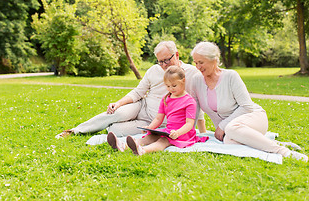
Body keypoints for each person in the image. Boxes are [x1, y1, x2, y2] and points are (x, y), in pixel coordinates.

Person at [55, 41, 206, 138]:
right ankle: (75, 131)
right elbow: (138, 92)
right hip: (142, 108)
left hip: (160, 122)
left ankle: (109, 128)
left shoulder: (191, 73)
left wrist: (202, 131)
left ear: (177, 54)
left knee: (114, 131)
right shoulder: (154, 70)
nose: (165, 64)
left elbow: (198, 104)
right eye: (161, 61)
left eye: (167, 59)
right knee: (116, 113)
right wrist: (119, 103)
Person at [189, 41, 308, 162]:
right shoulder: (196, 80)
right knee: (229, 141)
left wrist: (222, 125)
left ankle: (284, 152)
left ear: (214, 60)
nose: (198, 67)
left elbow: (247, 106)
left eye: (201, 62)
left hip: (253, 117)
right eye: (195, 63)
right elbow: (193, 109)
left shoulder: (231, 76)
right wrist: (188, 133)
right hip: (231, 131)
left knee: (231, 129)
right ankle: (267, 142)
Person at [107, 66, 209, 155]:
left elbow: (189, 124)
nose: (171, 89)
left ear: (183, 81)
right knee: (149, 137)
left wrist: (177, 133)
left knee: (163, 141)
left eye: (174, 86)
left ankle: (143, 150)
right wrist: (149, 128)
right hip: (169, 131)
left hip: (183, 134)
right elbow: (158, 118)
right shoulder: (166, 99)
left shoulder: (189, 101)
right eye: (168, 86)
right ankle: (123, 145)